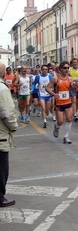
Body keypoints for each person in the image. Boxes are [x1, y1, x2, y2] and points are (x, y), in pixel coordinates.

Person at [46, 61, 78, 144]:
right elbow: (47, 88)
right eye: (64, 68)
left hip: (68, 102)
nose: (66, 69)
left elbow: (74, 90)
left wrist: (75, 87)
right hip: (59, 103)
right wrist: (54, 94)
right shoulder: (55, 78)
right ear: (60, 69)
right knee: (60, 121)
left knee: (69, 119)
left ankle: (66, 136)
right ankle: (56, 127)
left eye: (68, 68)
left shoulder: (70, 78)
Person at [0, 63, 18, 207]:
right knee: (1, 168)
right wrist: (14, 126)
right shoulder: (2, 88)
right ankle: (0, 197)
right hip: (1, 135)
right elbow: (6, 112)